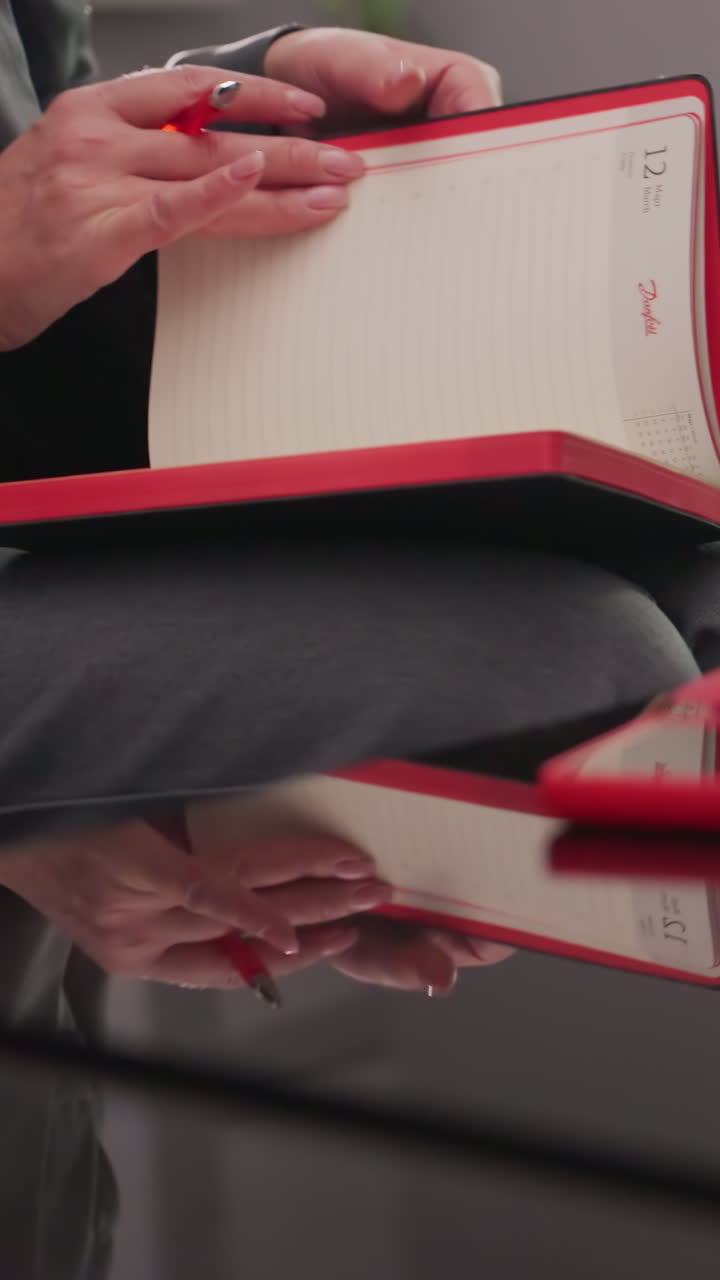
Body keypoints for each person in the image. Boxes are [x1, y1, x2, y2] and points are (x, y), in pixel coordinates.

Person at [1, 7, 720, 1011]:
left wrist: (245, 98)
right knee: (575, 662)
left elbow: (36, 111)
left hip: (75, 426)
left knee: (694, 570)